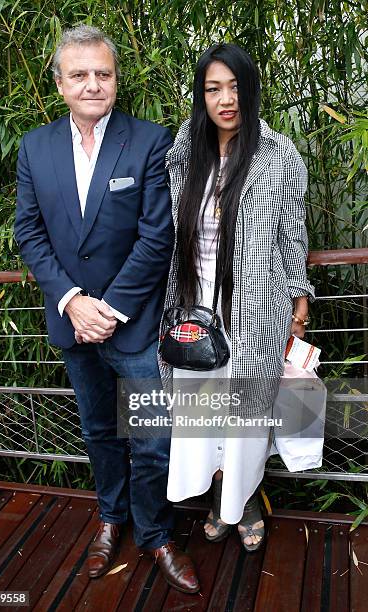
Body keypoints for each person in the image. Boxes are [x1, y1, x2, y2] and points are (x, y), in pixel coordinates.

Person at [15, 25, 199, 593]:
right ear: (59, 82)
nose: (93, 83)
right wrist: (72, 302)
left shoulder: (149, 140)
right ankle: (112, 518)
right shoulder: (34, 147)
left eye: (103, 73)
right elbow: (29, 232)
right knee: (98, 430)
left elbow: (156, 236)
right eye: (80, 74)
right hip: (73, 324)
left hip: (134, 326)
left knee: (151, 435)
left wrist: (110, 308)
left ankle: (155, 532)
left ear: (116, 79)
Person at [160, 43, 315, 551]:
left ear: (250, 89)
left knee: (246, 414)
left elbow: (293, 233)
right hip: (193, 304)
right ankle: (218, 495)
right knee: (202, 412)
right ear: (201, 96)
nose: (225, 99)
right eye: (213, 88)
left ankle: (244, 498)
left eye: (234, 86)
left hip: (254, 306)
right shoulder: (186, 148)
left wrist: (299, 295)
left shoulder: (277, 153)